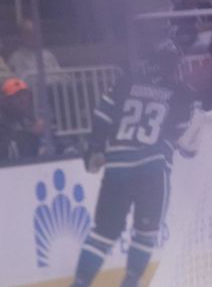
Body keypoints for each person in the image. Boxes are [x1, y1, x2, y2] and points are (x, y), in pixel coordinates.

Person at [71, 40, 200, 287]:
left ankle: (79, 283)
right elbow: (183, 138)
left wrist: (95, 149)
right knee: (146, 232)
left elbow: (102, 115)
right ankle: (130, 283)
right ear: (174, 65)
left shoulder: (125, 83)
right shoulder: (182, 93)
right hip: (152, 169)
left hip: (117, 166)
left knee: (102, 233)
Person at [0, 78, 45, 161]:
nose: (23, 100)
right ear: (6, 101)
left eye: (25, 95)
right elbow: (9, 150)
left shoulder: (28, 118)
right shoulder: (2, 121)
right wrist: (32, 134)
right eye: (17, 96)